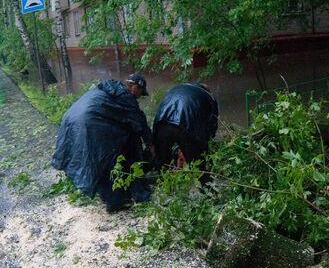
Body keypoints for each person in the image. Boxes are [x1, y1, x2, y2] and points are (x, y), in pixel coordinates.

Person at [52, 73, 153, 212]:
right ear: (135, 88)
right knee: (104, 160)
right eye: (141, 93)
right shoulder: (126, 98)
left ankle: (107, 195)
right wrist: (151, 145)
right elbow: (140, 125)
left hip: (71, 119)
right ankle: (115, 203)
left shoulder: (111, 90)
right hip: (88, 124)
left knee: (95, 161)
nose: (139, 97)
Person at [153, 83, 219, 177]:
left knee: (163, 161)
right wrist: (205, 144)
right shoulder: (208, 96)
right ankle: (204, 186)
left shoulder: (178, 87)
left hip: (162, 122)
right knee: (197, 162)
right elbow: (212, 123)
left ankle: (164, 184)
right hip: (185, 125)